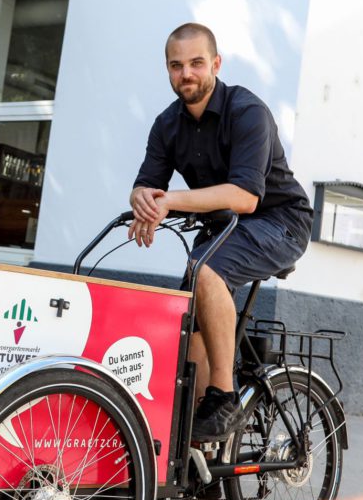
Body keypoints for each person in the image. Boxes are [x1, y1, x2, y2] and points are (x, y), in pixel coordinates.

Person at [129, 22, 313, 442]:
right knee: (188, 316)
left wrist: (169, 200)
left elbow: (246, 197)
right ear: (168, 70)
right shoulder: (166, 125)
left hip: (279, 223)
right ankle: (195, 442)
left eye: (196, 63)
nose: (186, 74)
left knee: (205, 267)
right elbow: (146, 182)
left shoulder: (247, 111)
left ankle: (224, 397)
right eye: (176, 66)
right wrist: (140, 198)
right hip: (222, 228)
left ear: (215, 63)